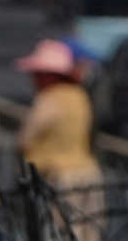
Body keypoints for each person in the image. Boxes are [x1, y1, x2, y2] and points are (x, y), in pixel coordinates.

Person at [14, 37, 101, 191]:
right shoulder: (80, 96)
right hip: (88, 175)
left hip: (59, 178)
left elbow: (25, 139)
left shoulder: (49, 99)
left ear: (47, 74)